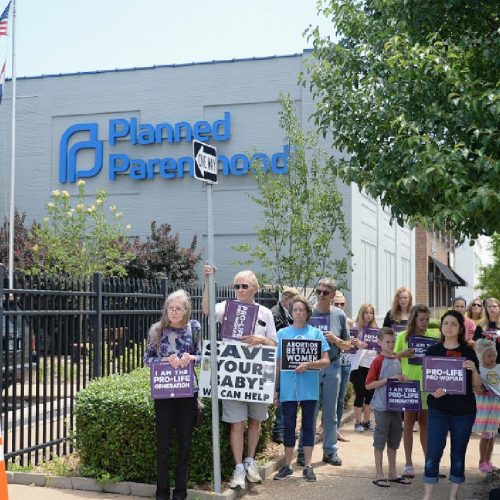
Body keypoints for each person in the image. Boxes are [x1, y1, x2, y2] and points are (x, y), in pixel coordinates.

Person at [202, 265, 277, 490]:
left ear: (255, 288)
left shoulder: (265, 313)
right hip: (233, 376)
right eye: (236, 286)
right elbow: (206, 310)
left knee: (255, 421)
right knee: (236, 423)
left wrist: (261, 340)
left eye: (244, 286)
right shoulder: (226, 307)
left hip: (257, 377)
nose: (240, 290)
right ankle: (238, 468)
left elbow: (274, 344)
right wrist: (207, 280)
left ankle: (250, 460)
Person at [143, 290, 201, 500]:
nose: (174, 312)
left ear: (186, 310)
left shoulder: (194, 327)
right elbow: (147, 360)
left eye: (179, 308)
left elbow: (202, 356)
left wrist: (191, 358)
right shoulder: (156, 330)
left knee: (185, 444)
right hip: (164, 392)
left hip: (187, 392)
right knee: (163, 445)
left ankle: (180, 493)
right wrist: (165, 360)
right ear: (166, 309)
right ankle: (162, 493)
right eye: (171, 308)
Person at [423, 310, 482, 500]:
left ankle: (453, 495)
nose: (449, 327)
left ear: (460, 328)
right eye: (446, 323)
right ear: (441, 326)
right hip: (438, 409)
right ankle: (428, 495)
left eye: (453, 324)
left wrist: (474, 370)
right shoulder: (433, 351)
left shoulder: (468, 352)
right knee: (433, 452)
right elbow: (427, 381)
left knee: (458, 454)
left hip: (463, 411)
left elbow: (478, 387)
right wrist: (432, 391)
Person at [273, 295, 330, 482]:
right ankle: (287, 466)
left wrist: (308, 364)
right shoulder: (282, 334)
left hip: (309, 388)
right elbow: (278, 364)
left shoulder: (316, 333)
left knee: (308, 426)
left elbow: (326, 361)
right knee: (288, 426)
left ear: (307, 313)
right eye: (295, 310)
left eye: (301, 310)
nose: (298, 313)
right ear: (291, 312)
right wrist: (274, 389)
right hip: (288, 388)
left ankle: (307, 466)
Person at [296, 277, 351, 467]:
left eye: (325, 292)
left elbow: (348, 345)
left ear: (333, 295)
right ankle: (303, 451)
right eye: (318, 291)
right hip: (311, 367)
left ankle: (330, 451)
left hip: (332, 366)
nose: (320, 295)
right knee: (309, 411)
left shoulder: (339, 315)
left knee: (330, 413)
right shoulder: (308, 312)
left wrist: (335, 339)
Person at [394, 304, 440, 479]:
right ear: (414, 319)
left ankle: (429, 463)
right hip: (409, 385)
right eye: (422, 319)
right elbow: (390, 357)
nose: (425, 322)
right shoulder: (402, 336)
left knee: (425, 424)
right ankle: (408, 463)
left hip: (427, 386)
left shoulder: (432, 337)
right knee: (408, 423)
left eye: (427, 319)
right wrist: (401, 354)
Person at [365, 327, 411, 488]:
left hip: (396, 406)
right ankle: (379, 474)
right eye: (387, 342)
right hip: (382, 406)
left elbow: (397, 379)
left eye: (393, 342)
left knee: (394, 440)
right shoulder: (377, 361)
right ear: (379, 342)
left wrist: (402, 379)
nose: (390, 345)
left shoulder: (397, 359)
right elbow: (369, 385)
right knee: (380, 440)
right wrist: (388, 379)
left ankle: (392, 473)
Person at [270, 287, 300, 444]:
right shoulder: (275, 314)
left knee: (290, 396)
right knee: (282, 396)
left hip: (288, 361)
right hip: (279, 361)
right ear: (287, 300)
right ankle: (279, 430)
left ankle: (288, 428)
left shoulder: (286, 314)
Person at [349, 304, 378, 433]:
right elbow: (349, 345)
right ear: (362, 313)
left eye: (371, 313)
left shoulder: (376, 329)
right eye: (366, 313)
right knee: (360, 394)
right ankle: (357, 422)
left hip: (372, 366)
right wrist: (356, 343)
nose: (369, 315)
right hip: (359, 366)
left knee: (369, 396)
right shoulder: (355, 328)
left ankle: (367, 422)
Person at [472, 339, 500, 473]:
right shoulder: (479, 369)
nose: (492, 358)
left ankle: (488, 461)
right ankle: (482, 462)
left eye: (494, 355)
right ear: (481, 356)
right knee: (486, 435)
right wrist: (482, 390)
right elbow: (475, 387)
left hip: (496, 406)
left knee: (492, 434)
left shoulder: (498, 368)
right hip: (484, 406)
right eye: (489, 356)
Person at [332, 291, 353, 442]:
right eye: (336, 303)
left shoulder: (349, 321)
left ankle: (336, 429)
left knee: (340, 398)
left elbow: (350, 342)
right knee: (326, 398)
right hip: (332, 362)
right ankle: (324, 426)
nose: (339, 306)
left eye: (342, 304)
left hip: (345, 362)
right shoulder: (329, 320)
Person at [473, 297, 500, 363]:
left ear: (499, 308)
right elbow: (475, 344)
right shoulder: (481, 326)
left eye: (494, 306)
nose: (491, 308)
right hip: (485, 364)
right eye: (489, 306)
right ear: (486, 309)